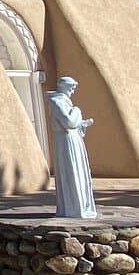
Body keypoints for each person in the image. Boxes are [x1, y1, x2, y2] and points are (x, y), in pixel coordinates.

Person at [48, 76, 97, 219]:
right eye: (71, 87)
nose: (73, 91)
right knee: (71, 172)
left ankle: (80, 206)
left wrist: (83, 124)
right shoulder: (57, 102)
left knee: (79, 172)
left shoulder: (63, 102)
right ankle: (74, 208)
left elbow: (73, 124)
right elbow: (68, 122)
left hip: (72, 139)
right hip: (66, 141)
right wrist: (77, 110)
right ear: (63, 87)